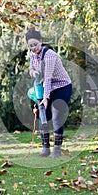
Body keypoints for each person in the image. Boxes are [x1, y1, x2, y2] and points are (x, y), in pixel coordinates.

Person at [26, 28, 72, 158]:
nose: (33, 48)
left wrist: (46, 98)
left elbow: (48, 78)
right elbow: (32, 68)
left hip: (62, 87)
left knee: (56, 117)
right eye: (30, 46)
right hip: (47, 87)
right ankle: (45, 148)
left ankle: (57, 149)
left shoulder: (50, 55)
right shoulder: (32, 54)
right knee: (42, 116)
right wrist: (32, 72)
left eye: (35, 44)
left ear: (41, 41)